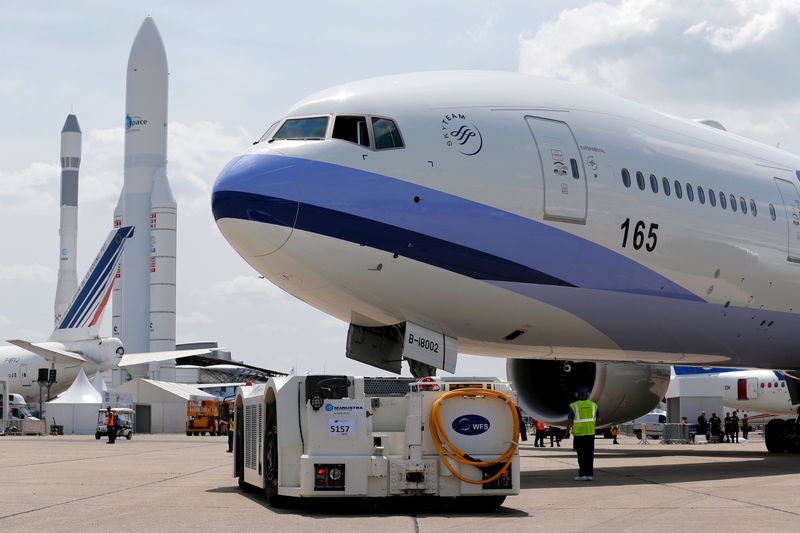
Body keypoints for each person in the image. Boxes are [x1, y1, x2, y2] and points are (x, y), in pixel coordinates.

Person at [565, 388, 599, 481]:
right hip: (590, 433)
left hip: (579, 435)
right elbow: (598, 419)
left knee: (581, 455)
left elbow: (570, 420)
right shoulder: (594, 405)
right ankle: (589, 475)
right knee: (589, 455)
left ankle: (582, 475)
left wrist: (567, 432)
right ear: (587, 395)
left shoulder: (574, 406)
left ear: (578, 395)